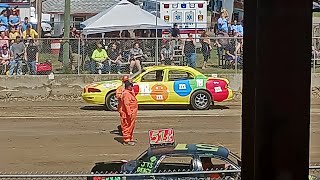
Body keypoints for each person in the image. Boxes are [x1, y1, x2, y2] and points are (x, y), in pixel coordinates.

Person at [122, 81, 138, 146]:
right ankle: (127, 140)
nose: (132, 87)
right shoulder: (126, 94)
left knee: (131, 126)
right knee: (127, 126)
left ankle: (129, 138)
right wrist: (129, 112)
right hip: (129, 113)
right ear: (128, 87)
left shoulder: (130, 93)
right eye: (130, 86)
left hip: (132, 113)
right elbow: (126, 104)